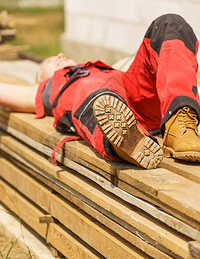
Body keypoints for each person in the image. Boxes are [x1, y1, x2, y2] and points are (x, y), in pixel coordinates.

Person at [0, 13, 200, 169]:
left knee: (169, 25)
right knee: (89, 90)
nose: (59, 55)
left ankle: (180, 124)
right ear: (43, 79)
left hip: (133, 94)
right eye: (50, 61)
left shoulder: (102, 68)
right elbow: (6, 92)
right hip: (98, 100)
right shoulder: (53, 86)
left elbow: (143, 61)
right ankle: (125, 142)